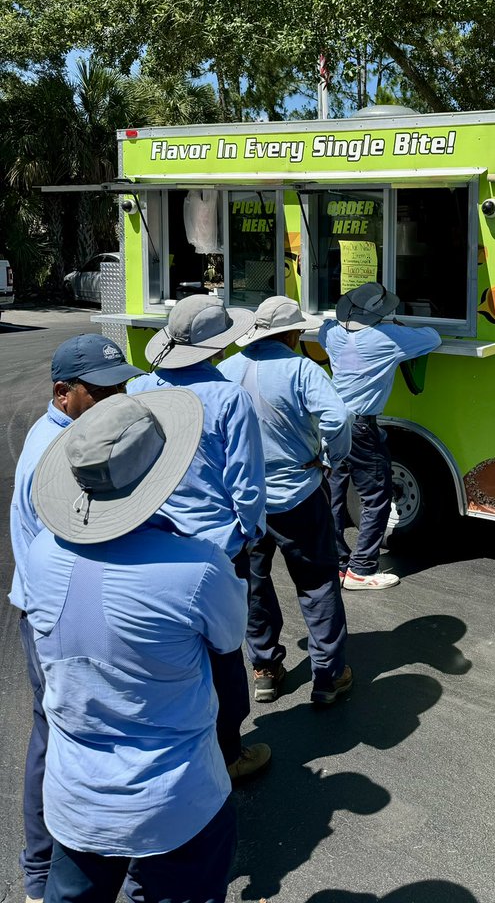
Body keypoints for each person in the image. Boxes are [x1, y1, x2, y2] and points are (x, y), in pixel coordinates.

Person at [24, 391, 247, 902]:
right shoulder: (197, 569)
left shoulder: (39, 552)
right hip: (176, 799)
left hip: (74, 794)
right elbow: (230, 638)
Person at [9, 334, 144, 903]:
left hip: (57, 605)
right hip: (59, 614)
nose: (119, 399)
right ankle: (45, 873)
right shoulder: (59, 456)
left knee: (63, 734)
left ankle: (50, 867)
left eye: (123, 385)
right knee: (63, 737)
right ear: (64, 393)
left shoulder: (79, 436)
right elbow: (68, 560)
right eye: (104, 390)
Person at [129, 294, 269, 783]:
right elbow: (247, 483)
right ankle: (228, 751)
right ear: (217, 347)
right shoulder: (229, 397)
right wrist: (251, 533)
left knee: (170, 651)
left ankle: (180, 744)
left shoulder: (140, 388)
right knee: (224, 651)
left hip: (151, 538)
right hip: (216, 546)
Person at [219, 296, 354, 706]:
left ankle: (263, 668)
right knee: (316, 583)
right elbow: (338, 418)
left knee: (253, 585)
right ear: (292, 334)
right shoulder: (301, 369)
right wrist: (332, 458)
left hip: (244, 501)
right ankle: (328, 677)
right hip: (299, 493)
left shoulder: (226, 370)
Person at [320, 282, 441, 590]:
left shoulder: (334, 334)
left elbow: (323, 329)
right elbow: (433, 337)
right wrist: (395, 325)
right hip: (361, 426)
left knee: (334, 495)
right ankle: (361, 569)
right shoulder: (387, 337)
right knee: (376, 496)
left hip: (332, 422)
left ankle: (337, 564)